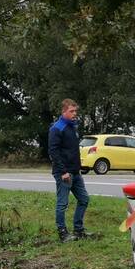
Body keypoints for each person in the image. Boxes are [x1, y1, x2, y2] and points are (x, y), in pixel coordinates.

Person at [48, 99, 90, 242]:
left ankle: (78, 230)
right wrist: (63, 172)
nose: (74, 114)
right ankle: (63, 233)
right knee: (62, 204)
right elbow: (53, 152)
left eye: (75, 111)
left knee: (84, 199)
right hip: (64, 173)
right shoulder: (57, 128)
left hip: (75, 172)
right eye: (71, 111)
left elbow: (71, 150)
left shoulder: (72, 127)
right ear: (64, 111)